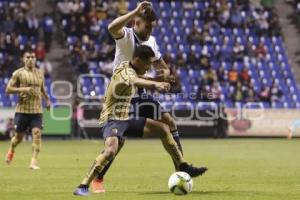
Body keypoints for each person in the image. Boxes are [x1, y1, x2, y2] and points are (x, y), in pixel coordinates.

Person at [91, 1, 207, 193]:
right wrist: (135, 11)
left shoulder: (151, 41)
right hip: (123, 96)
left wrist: (165, 73)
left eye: (153, 27)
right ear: (136, 23)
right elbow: (111, 27)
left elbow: (161, 66)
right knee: (118, 143)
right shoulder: (126, 35)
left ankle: (182, 167)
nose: (150, 30)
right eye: (148, 26)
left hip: (141, 94)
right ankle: (98, 177)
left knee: (169, 122)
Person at [73, 45, 207, 196]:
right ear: (137, 60)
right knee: (111, 150)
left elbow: (140, 78)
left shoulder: (132, 69)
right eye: (147, 64)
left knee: (164, 128)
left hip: (125, 118)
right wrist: (156, 84)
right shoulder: (125, 71)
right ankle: (82, 186)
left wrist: (158, 79)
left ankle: (182, 165)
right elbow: (135, 81)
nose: (149, 67)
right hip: (112, 119)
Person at [5, 50, 51, 170]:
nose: (30, 59)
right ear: (23, 59)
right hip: (22, 111)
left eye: (33, 57)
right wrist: (23, 89)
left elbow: (42, 89)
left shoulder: (40, 73)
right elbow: (8, 89)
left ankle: (34, 161)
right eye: (28, 57)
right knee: (18, 138)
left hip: (37, 111)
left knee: (37, 134)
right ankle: (11, 149)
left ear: (35, 59)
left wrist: (47, 99)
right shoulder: (18, 73)